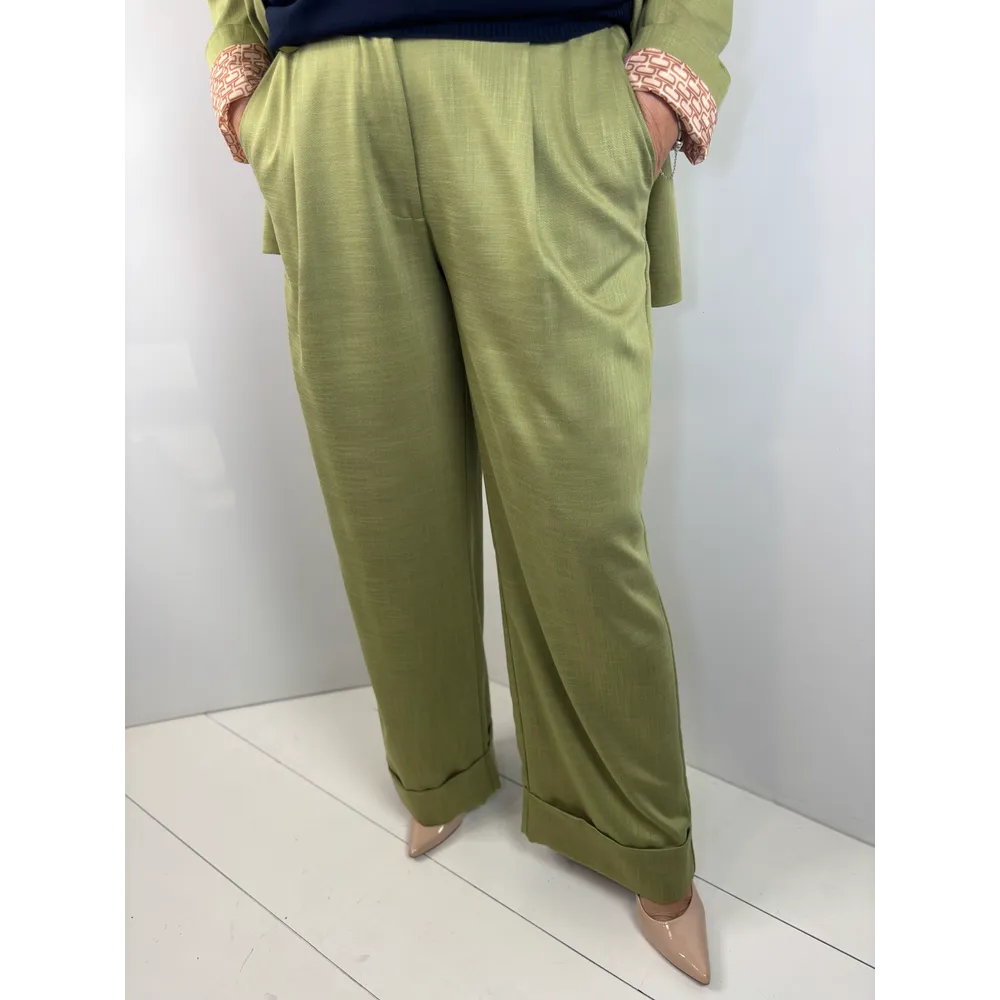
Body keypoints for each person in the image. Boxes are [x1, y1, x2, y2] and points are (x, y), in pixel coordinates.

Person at [205, 0, 731, 984]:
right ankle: (435, 764)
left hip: (547, 76)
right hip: (326, 98)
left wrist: (668, 79)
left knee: (580, 514)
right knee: (381, 495)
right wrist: (240, 64)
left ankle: (639, 836)